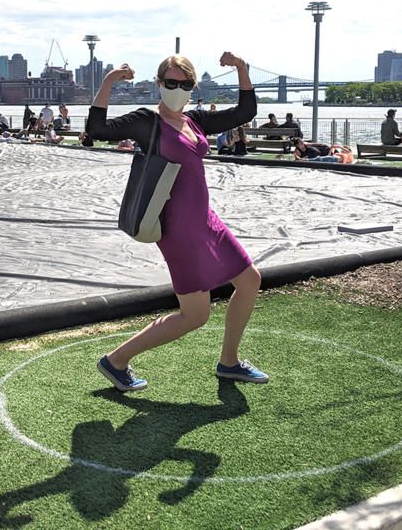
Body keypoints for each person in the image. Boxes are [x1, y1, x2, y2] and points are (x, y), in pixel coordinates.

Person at [86, 52, 267, 392]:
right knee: (195, 315)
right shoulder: (146, 121)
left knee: (249, 281)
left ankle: (229, 362)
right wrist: (109, 81)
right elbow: (96, 129)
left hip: (207, 222)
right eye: (171, 83)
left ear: (193, 87)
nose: (178, 89)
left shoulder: (195, 120)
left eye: (185, 84)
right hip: (178, 231)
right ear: (159, 84)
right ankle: (116, 360)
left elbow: (245, 112)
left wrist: (242, 69)